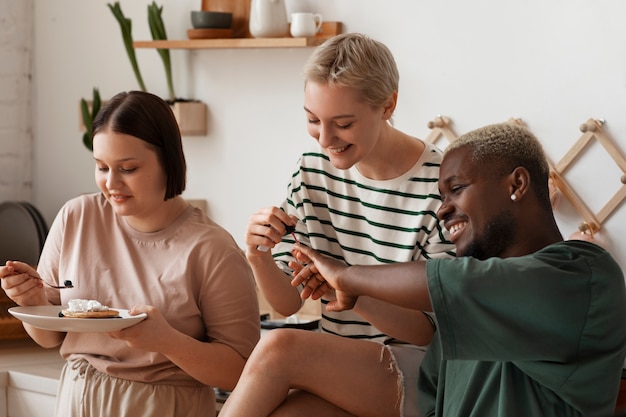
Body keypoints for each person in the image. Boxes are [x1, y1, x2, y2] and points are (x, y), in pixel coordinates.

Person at [284, 122, 626, 417]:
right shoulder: (463, 318)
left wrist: (346, 276)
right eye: (441, 197)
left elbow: (456, 282)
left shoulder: (585, 274)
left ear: (517, 185)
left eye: (456, 190)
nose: (442, 211)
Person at [225, 33, 454, 417]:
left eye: (343, 123)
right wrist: (258, 254)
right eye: (313, 120)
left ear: (388, 105)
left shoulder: (441, 184)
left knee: (281, 349)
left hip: (424, 372)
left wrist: (354, 292)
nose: (326, 139)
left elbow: (430, 332)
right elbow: (286, 303)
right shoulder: (311, 173)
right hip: (345, 366)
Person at [0, 91, 260, 417]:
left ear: (168, 160)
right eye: (101, 167)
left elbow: (241, 372)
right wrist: (32, 300)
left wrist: (167, 341)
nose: (111, 183)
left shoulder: (212, 250)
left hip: (165, 408)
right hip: (78, 398)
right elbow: (49, 336)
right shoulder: (75, 217)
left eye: (128, 168)